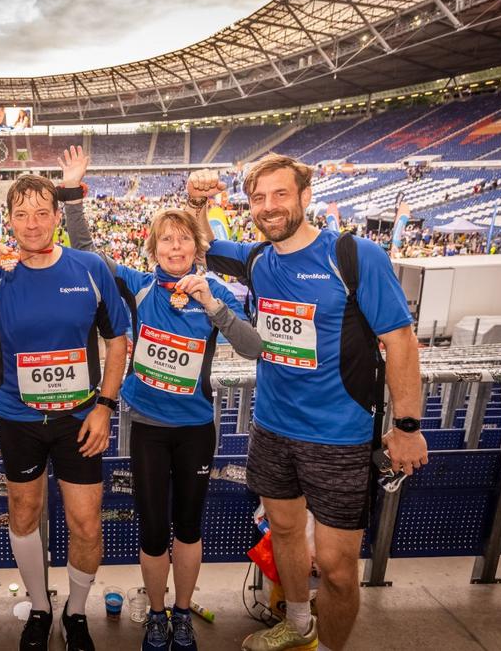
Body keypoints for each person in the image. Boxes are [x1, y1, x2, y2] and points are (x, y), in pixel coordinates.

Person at [191, 155, 427, 651]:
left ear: (305, 196)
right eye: (258, 198)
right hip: (272, 429)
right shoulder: (257, 259)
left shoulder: (354, 256)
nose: (269, 206)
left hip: (340, 437)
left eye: (280, 194)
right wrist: (196, 203)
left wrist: (407, 426)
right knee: (284, 531)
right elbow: (206, 244)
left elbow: (401, 341)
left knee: (338, 570)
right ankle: (298, 626)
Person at [61, 145, 261, 651]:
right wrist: (72, 196)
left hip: (195, 429)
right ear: (153, 249)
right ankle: (155, 614)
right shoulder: (139, 287)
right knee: (153, 530)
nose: (175, 247)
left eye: (184, 239)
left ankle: (181, 613)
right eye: (166, 240)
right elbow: (87, 253)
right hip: (148, 427)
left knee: (188, 529)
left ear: (197, 246)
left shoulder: (215, 291)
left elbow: (254, 347)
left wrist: (212, 305)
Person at [0, 172, 131, 651]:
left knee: (86, 522)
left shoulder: (90, 267)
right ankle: (40, 608)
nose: (32, 223)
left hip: (79, 420)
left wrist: (105, 406)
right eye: (21, 214)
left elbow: (117, 340)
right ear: (8, 220)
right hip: (18, 419)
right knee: (23, 513)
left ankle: (76, 612)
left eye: (42, 212)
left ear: (58, 216)